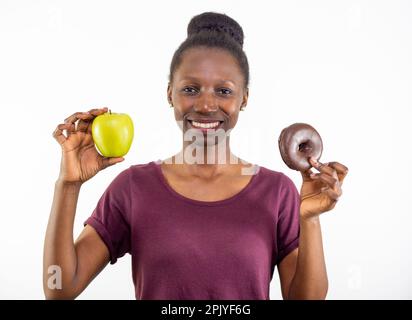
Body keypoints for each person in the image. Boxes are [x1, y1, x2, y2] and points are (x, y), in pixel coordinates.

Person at [43, 12, 348, 300]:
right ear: (169, 94)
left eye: (224, 91)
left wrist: (309, 219)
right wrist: (68, 185)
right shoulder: (133, 187)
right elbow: (60, 287)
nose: (205, 105)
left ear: (244, 98)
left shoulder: (277, 192)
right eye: (190, 89)